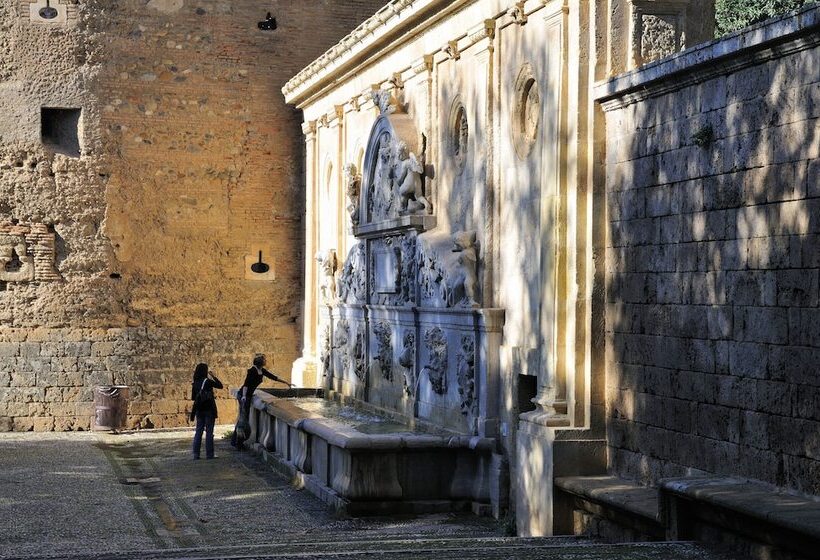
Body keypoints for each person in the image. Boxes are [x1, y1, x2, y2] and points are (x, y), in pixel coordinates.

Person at [232, 353, 288, 450]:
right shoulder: (252, 371)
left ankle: (235, 441)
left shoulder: (261, 370)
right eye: (264, 360)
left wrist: (286, 382)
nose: (266, 361)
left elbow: (273, 377)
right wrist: (244, 396)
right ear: (261, 362)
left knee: (243, 418)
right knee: (243, 419)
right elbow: (246, 384)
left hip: (248, 396)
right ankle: (238, 443)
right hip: (243, 396)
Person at [190, 363, 223, 460]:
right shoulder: (208, 381)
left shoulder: (195, 383)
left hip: (199, 409)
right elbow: (220, 386)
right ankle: (210, 454)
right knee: (209, 432)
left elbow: (193, 398)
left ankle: (196, 454)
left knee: (198, 431)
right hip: (209, 409)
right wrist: (213, 376)